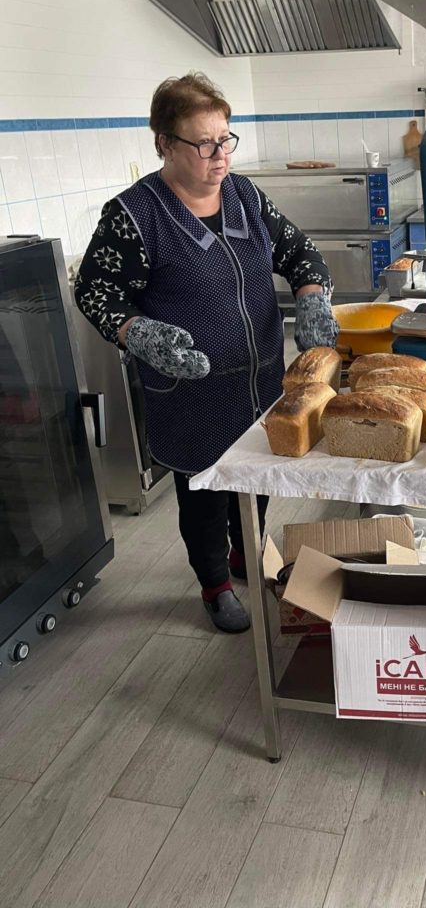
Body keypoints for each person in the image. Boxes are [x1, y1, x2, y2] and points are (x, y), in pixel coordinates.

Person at [75, 72, 338, 633]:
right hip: (189, 391)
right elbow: (96, 290)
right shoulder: (134, 215)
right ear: (164, 144)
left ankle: (248, 554)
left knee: (257, 481)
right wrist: (136, 333)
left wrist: (312, 297)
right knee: (203, 494)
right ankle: (215, 585)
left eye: (225, 139)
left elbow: (299, 252)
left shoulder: (245, 195)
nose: (220, 155)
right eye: (204, 143)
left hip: (263, 382)